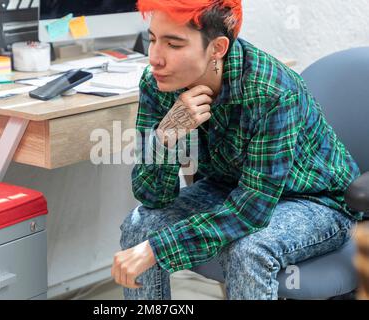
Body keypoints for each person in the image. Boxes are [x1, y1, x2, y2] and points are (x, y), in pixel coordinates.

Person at [111, 0, 362, 300]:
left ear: (217, 48)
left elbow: (250, 211)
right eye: (152, 39)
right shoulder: (157, 83)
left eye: (173, 44)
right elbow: (151, 195)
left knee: (248, 250)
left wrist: (157, 249)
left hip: (315, 202)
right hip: (229, 187)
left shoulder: (273, 92)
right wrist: (167, 136)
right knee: (140, 225)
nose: (155, 58)